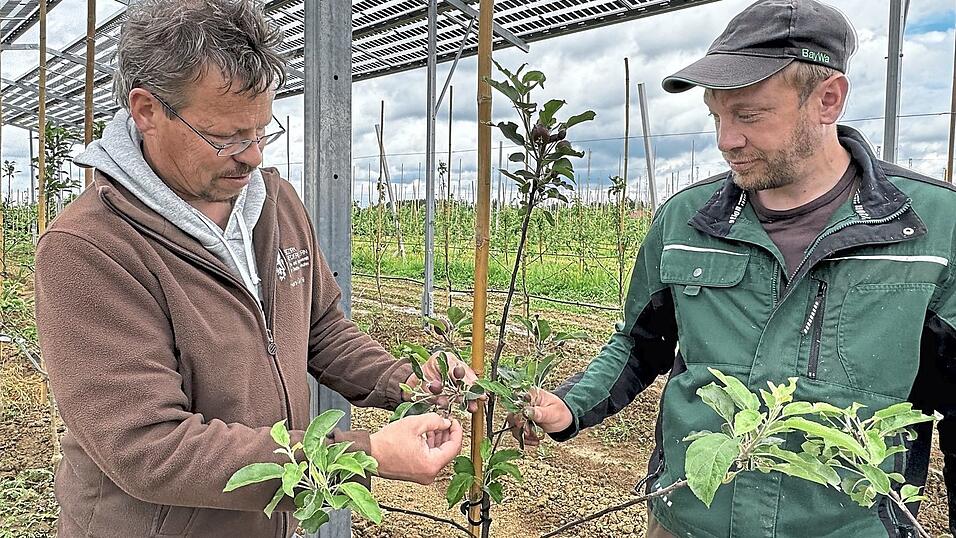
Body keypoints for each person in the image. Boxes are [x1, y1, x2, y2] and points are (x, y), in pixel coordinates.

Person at [511, 0, 956, 536]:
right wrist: (570, 405)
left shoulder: (932, 227)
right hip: (688, 523)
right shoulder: (687, 220)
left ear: (828, 100)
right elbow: (638, 342)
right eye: (716, 116)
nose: (727, 140)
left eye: (749, 115)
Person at [33, 1, 472, 537]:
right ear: (147, 111)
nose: (253, 157)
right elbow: (150, 448)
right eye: (228, 138)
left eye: (263, 131)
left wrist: (407, 381)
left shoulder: (276, 203)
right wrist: (364, 454)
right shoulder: (91, 248)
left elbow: (322, 330)